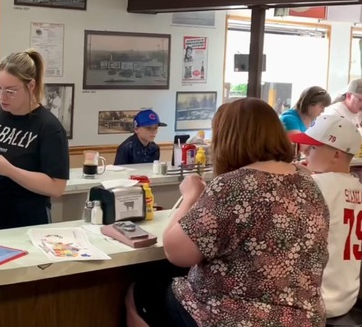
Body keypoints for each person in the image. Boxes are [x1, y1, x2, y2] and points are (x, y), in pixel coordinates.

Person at [126, 98, 329, 327]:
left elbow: (176, 252)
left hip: (234, 316)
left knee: (141, 290)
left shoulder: (232, 186)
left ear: (228, 138)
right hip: (304, 317)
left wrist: (191, 196)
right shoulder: (306, 181)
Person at [0, 49, 69, 233]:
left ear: (31, 85)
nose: (2, 97)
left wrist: (9, 171)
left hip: (24, 221)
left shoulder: (48, 127)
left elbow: (57, 187)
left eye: (10, 91)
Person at [291, 115, 362, 319]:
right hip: (347, 297)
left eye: (313, 148)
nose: (305, 151)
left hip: (315, 300)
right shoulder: (356, 185)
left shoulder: (317, 184)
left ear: (337, 155)